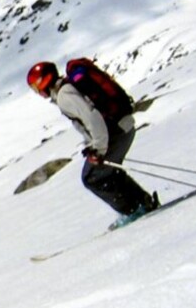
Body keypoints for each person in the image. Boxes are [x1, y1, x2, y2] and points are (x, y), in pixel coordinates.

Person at [27, 60, 158, 228]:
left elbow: (92, 117)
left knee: (92, 177)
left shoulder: (64, 95)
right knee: (108, 173)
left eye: (35, 87)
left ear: (42, 82)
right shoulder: (67, 89)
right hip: (121, 128)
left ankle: (135, 211)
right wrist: (93, 145)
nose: (37, 92)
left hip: (115, 133)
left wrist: (98, 149)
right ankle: (143, 203)